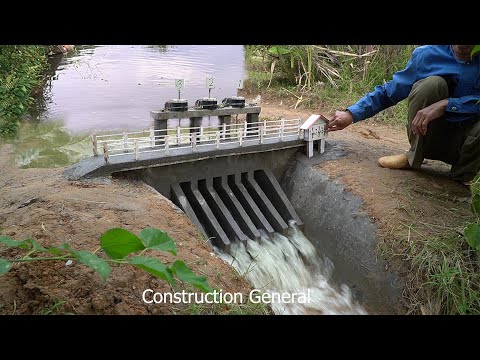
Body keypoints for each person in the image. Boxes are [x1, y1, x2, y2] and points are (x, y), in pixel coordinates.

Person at [326, 45, 480, 184]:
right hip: (431, 135)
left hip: (471, 146)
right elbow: (390, 91)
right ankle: (414, 157)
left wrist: (448, 104)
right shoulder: (428, 55)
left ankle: (465, 179)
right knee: (430, 85)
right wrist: (351, 114)